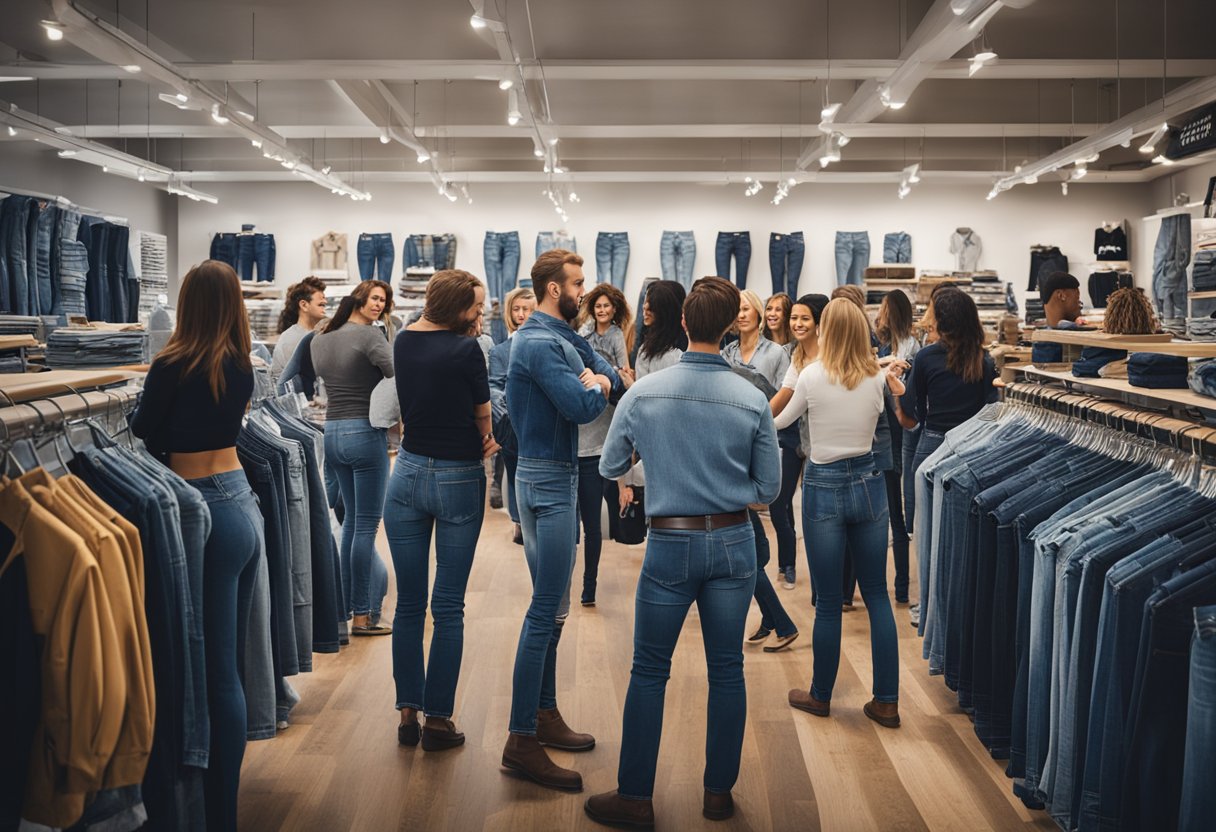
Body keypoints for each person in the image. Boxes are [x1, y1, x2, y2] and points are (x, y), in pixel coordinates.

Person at [585, 277, 781, 827]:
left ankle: (635, 797)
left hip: (669, 540)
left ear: (683, 325)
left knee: (649, 670)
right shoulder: (751, 396)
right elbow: (768, 489)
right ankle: (718, 795)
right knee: (727, 670)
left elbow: (609, 466)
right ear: (726, 329)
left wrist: (662, 467)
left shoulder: (645, 392)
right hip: (733, 541)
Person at [130, 260, 261, 831]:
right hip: (240, 501)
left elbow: (143, 430)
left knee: (200, 669)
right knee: (228, 668)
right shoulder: (242, 366)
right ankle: (223, 809)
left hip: (197, 509)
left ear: (187, 304)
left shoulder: (170, 364)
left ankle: (205, 813)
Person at [502, 249, 621, 792]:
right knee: (544, 610)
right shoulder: (538, 343)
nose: (584, 292)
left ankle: (544, 714)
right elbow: (581, 404)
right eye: (576, 285)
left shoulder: (555, 336)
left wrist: (601, 376)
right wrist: (600, 383)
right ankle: (520, 738)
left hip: (550, 476)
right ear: (555, 289)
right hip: (547, 481)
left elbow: (598, 361)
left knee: (554, 610)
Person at [774, 299, 907, 729]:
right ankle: (886, 702)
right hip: (870, 483)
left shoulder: (812, 376)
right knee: (877, 595)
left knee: (829, 602)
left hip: (825, 485)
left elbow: (780, 422)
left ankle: (821, 695)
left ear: (827, 330)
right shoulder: (876, 378)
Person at [384, 270, 497, 753]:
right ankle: (438, 722)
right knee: (448, 607)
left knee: (409, 604)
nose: (480, 313)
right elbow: (481, 411)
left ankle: (407, 713)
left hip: (406, 474)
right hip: (457, 475)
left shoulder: (403, 340)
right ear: (456, 307)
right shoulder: (467, 349)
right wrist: (488, 438)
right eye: (475, 305)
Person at [311, 279, 395, 636]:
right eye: (375, 298)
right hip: (365, 432)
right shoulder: (371, 337)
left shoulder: (321, 335)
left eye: (384, 300)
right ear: (359, 298)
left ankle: (346, 612)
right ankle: (362, 615)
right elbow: (398, 376)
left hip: (333, 433)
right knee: (364, 528)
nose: (380, 304)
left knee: (350, 527)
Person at [722, 289, 798, 652]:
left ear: (757, 311)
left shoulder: (776, 353)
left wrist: (756, 419)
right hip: (735, 447)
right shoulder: (727, 353)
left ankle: (780, 620)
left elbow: (787, 394)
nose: (741, 315)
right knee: (748, 536)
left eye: (746, 308)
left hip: (766, 442)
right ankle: (774, 618)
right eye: (735, 310)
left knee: (752, 532)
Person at [575, 283, 636, 605]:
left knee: (597, 523)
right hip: (584, 433)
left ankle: (590, 585)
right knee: (585, 524)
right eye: (597, 306)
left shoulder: (614, 335)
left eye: (606, 306)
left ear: (614, 310)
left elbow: (622, 377)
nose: (601, 311)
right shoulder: (583, 334)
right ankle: (585, 585)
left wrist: (607, 377)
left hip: (606, 426)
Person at [769, 294, 829, 593]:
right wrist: (756, 418)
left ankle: (826, 584)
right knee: (779, 503)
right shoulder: (797, 355)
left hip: (824, 445)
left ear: (819, 323)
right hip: (795, 437)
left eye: (805, 318)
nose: (797, 323)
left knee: (815, 512)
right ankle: (787, 565)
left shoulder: (829, 356)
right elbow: (784, 397)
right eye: (795, 318)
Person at [618, 280, 687, 523]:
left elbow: (659, 401)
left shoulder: (676, 355)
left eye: (651, 305)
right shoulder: (649, 349)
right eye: (645, 302)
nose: (645, 308)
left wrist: (631, 387)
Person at [875, 290, 919, 604]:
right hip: (884, 433)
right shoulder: (887, 347)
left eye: (885, 308)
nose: (879, 313)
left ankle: (901, 585)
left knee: (895, 514)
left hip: (896, 434)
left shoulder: (908, 347)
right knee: (888, 513)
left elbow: (901, 393)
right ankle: (893, 585)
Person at [489, 287, 537, 544]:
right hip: (512, 426)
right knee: (514, 471)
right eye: (517, 309)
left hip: (540, 424)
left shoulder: (546, 344)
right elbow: (495, 388)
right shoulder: (499, 352)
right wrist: (506, 423)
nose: (521, 314)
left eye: (527, 310)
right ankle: (518, 521)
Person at [271, 276, 328, 380]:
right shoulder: (290, 340)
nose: (326, 305)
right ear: (304, 305)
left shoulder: (321, 334)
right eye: (321, 304)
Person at [1030, 271, 1086, 363]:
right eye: (1077, 299)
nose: (1079, 307)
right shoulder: (1052, 345)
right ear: (1061, 295)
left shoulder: (1041, 341)